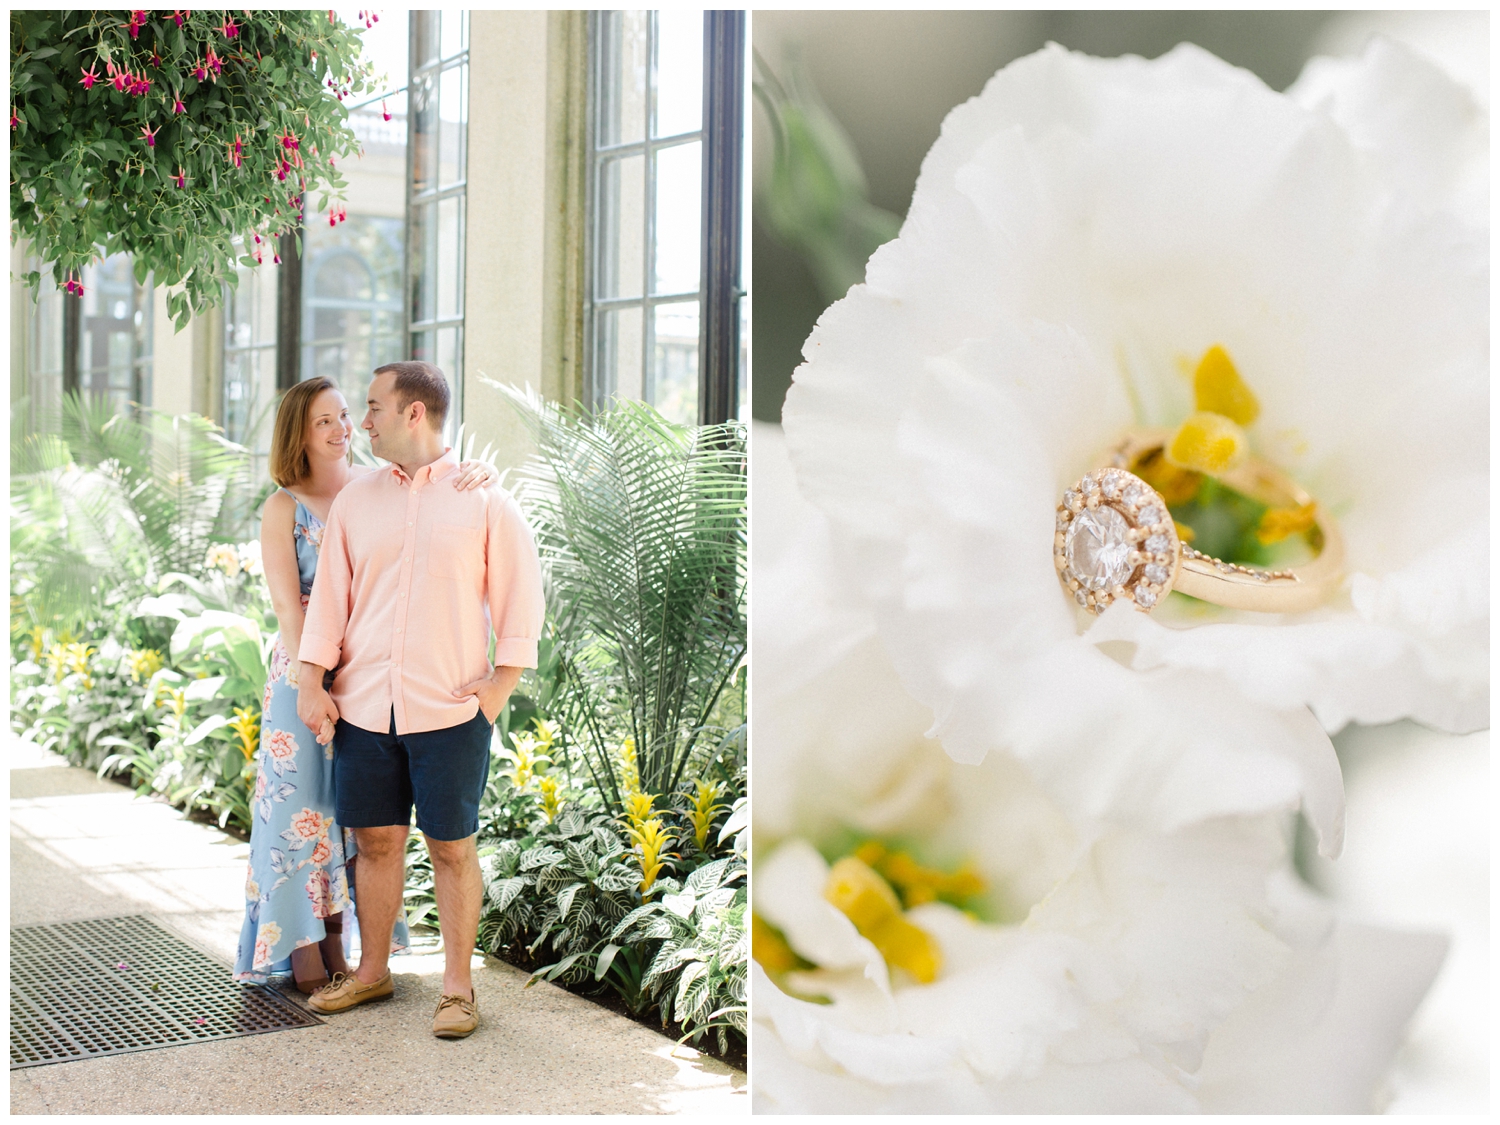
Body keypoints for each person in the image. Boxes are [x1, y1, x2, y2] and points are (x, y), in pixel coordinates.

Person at [296, 360, 543, 1039]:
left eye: (373, 407)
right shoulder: (356, 499)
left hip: (451, 710)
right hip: (366, 705)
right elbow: (332, 600)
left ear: (414, 412)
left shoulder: (485, 499)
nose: (361, 422)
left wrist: (497, 690)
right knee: (374, 841)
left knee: (451, 848)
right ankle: (372, 971)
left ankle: (458, 989)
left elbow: (522, 598)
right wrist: (312, 678)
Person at [233, 376, 499, 992]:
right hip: (307, 677)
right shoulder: (284, 507)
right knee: (300, 814)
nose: (342, 429)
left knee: (359, 822)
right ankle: (301, 947)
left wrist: (473, 472)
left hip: (372, 681)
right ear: (297, 432)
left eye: (347, 415)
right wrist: (313, 684)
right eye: (324, 420)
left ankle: (349, 950)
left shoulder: (373, 488)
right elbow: (290, 612)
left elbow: (432, 488)